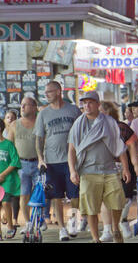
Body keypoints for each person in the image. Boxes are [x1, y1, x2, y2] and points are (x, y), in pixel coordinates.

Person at [68, 91, 131, 243]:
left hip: (109, 169)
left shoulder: (109, 122)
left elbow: (119, 146)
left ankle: (115, 228)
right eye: (84, 103)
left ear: (97, 104)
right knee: (90, 208)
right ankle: (96, 238)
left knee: (117, 202)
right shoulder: (78, 124)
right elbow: (71, 150)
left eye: (90, 102)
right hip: (87, 171)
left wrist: (126, 168)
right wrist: (72, 170)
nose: (87, 105)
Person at [34, 81, 82, 241]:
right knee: (56, 196)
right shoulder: (43, 114)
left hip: (71, 161)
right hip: (52, 161)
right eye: (45, 92)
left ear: (59, 91)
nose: (46, 94)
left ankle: (73, 221)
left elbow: (81, 133)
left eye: (49, 91)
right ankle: (62, 228)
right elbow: (39, 139)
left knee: (75, 195)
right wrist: (40, 159)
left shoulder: (73, 110)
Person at [98, 101, 138, 241]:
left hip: (124, 168)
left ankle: (121, 221)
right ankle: (107, 229)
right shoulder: (95, 128)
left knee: (124, 198)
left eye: (100, 111)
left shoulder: (123, 128)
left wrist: (136, 166)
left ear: (107, 113)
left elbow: (133, 148)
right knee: (105, 199)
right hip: (103, 168)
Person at [7, 97, 43, 235]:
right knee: (24, 195)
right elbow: (10, 147)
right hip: (21, 164)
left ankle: (39, 219)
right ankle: (28, 223)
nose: (22, 107)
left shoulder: (40, 123)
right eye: (21, 105)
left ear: (34, 107)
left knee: (39, 193)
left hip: (38, 163)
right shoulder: (15, 124)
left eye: (26, 105)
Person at [0, 119, 21, 240]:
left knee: (6, 202)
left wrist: (3, 174)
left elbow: (15, 161)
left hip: (7, 179)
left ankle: (10, 226)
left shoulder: (8, 144)